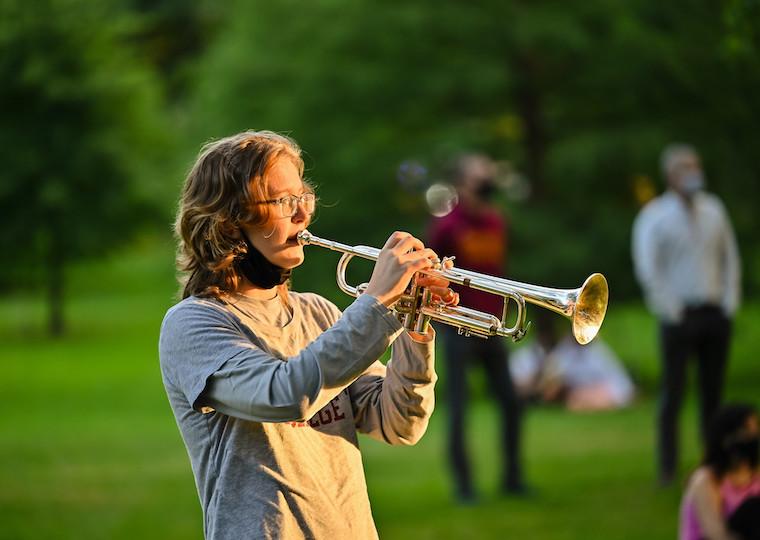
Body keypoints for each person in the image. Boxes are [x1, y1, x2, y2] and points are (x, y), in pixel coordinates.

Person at [158, 130, 457, 539]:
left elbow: (399, 423)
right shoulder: (193, 325)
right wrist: (376, 303)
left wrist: (414, 323)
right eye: (283, 201)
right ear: (229, 221)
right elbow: (285, 395)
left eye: (303, 197)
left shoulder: (319, 312)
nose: (302, 214)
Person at [632, 143, 742, 486]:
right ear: (670, 175)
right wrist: (672, 309)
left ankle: (714, 465)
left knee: (713, 393)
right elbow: (649, 268)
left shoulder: (714, 209)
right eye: (686, 168)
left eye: (695, 166)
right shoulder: (654, 215)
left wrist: (728, 304)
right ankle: (667, 468)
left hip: (714, 312)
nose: (693, 173)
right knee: (673, 393)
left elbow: (730, 259)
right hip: (679, 316)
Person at [426, 153, 526, 502]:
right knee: (459, 408)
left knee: (512, 403)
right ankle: (464, 487)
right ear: (463, 182)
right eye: (479, 173)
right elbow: (430, 271)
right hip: (457, 326)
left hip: (492, 325)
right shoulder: (447, 225)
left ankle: (513, 479)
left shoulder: (497, 221)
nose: (486, 178)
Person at [510, 314, 635, 411]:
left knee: (575, 402)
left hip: (608, 390)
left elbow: (619, 386)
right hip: (579, 391)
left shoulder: (598, 351)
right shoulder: (566, 349)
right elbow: (553, 374)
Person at [679, 403, 760, 540]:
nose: (754, 437)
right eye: (747, 432)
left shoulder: (754, 475)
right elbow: (716, 534)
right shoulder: (705, 480)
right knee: (753, 509)